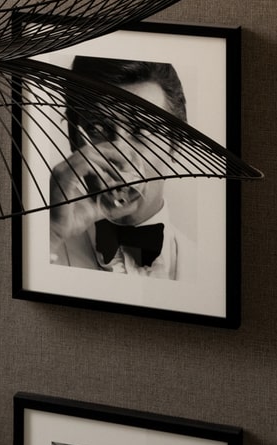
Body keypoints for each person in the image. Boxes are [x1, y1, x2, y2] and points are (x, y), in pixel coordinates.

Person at [48, 58, 192, 279]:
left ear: (176, 144)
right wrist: (53, 233)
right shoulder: (43, 249)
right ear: (73, 141)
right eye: (98, 129)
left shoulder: (213, 271)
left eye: (142, 131)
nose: (120, 154)